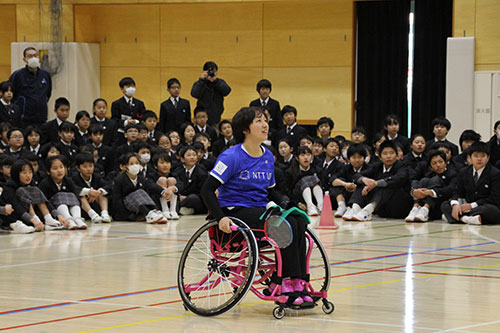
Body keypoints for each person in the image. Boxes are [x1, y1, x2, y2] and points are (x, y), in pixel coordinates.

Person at [201, 106, 313, 306]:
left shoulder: (267, 156)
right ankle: (282, 282)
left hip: (260, 210)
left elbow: (271, 191)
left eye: (266, 121)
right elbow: (207, 190)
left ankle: (298, 281)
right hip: (234, 210)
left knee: (297, 220)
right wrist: (220, 218)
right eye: (259, 121)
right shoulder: (231, 156)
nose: (265, 125)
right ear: (245, 128)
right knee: (283, 224)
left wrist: (288, 203)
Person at [347, 140, 412, 221]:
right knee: (362, 183)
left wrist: (376, 184)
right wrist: (364, 180)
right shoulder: (377, 166)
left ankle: (366, 211)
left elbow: (398, 179)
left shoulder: (403, 166)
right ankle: (355, 208)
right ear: (380, 157)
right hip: (382, 208)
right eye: (385, 154)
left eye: (391, 153)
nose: (388, 156)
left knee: (387, 186)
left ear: (397, 155)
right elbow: (357, 175)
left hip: (399, 206)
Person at [441, 142, 500, 225]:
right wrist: (455, 205)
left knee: (491, 211)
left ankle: (458, 217)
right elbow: (458, 192)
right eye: (476, 156)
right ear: (470, 157)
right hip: (466, 206)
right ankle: (466, 219)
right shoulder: (463, 171)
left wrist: (472, 205)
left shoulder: (495, 173)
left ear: (488, 157)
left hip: (483, 206)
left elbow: (494, 198)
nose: (479, 159)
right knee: (445, 205)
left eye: (483, 156)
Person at [405, 150, 457, 222]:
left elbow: (451, 189)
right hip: (428, 206)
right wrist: (415, 191)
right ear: (430, 166)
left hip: (440, 205)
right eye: (434, 163)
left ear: (445, 163)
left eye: (440, 162)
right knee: (424, 180)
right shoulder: (429, 175)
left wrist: (432, 192)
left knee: (436, 180)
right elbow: (415, 180)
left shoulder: (453, 174)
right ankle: (415, 207)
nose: (438, 165)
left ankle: (426, 208)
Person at [39, 156, 87, 229]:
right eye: (55, 168)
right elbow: (46, 202)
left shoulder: (68, 181)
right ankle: (69, 220)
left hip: (71, 210)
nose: (59, 171)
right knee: (60, 195)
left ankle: (77, 218)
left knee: (72, 196)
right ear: (48, 171)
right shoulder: (44, 183)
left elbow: (76, 196)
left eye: (61, 167)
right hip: (55, 211)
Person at [9, 47, 52, 127]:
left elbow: (48, 94)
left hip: (41, 119)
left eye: (35, 55)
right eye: (30, 56)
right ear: (24, 59)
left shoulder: (45, 75)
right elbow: (10, 94)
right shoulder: (17, 75)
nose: (33, 58)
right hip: (23, 119)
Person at [72, 153, 112, 223]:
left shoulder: (97, 177)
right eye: (85, 167)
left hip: (96, 204)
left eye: (91, 166)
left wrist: (98, 192)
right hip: (84, 208)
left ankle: (104, 213)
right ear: (78, 168)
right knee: (81, 196)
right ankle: (93, 215)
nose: (88, 169)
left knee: (102, 192)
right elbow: (74, 188)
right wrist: (88, 192)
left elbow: (108, 186)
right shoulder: (74, 178)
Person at [190, 61, 231, 126]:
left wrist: (215, 81)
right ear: (204, 71)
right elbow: (194, 94)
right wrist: (202, 80)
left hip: (216, 119)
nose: (211, 73)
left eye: (213, 71)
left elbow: (227, 91)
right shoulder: (200, 83)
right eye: (209, 71)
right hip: (201, 118)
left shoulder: (219, 82)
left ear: (216, 72)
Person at [173, 145, 208, 215]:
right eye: (189, 155)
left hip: (196, 199)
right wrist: (179, 196)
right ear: (182, 159)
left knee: (193, 198)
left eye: (194, 155)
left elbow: (203, 192)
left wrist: (186, 198)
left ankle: (179, 209)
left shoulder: (202, 172)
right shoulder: (177, 171)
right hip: (180, 198)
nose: (192, 157)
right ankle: (184, 209)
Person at [111, 77, 146, 144]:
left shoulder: (139, 103)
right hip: (121, 134)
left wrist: (136, 121)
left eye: (132, 86)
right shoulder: (116, 104)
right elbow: (114, 120)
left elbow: (144, 117)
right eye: (128, 86)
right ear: (122, 89)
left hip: (137, 134)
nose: (131, 88)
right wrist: (126, 122)